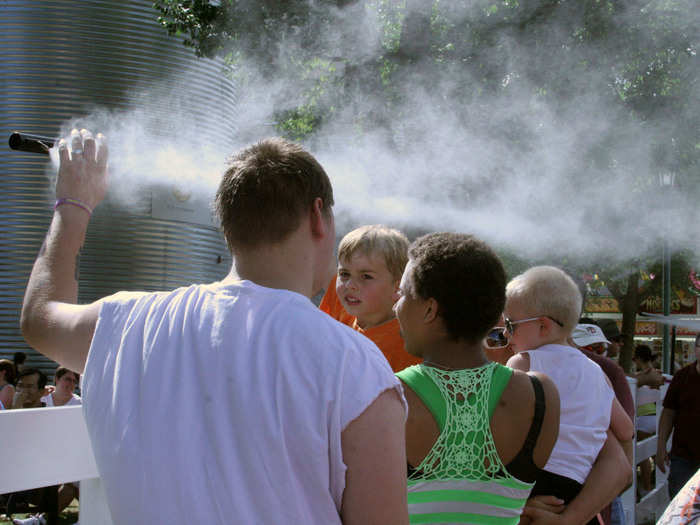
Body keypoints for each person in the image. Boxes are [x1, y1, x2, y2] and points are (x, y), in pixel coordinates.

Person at [20, 129, 409, 524]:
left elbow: (40, 317)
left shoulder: (124, 323)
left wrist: (73, 204)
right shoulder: (354, 363)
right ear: (317, 216)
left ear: (229, 225)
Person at [392, 232, 560, 524]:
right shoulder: (541, 395)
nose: (397, 307)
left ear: (430, 309)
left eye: (404, 294)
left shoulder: (391, 396)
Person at [504, 266, 634, 522]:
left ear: (543, 326)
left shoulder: (523, 362)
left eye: (511, 324)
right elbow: (626, 430)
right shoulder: (598, 373)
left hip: (532, 480)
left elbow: (506, 431)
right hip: (578, 486)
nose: (507, 335)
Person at [319, 224, 421, 372]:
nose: (350, 285)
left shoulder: (409, 348)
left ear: (398, 288)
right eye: (344, 274)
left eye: (366, 276)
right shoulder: (342, 302)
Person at [570, 323, 636, 525]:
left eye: (600, 349)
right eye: (589, 349)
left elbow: (626, 430)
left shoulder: (608, 371)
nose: (595, 355)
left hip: (599, 479)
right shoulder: (606, 370)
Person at [656, 333, 700, 499]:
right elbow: (668, 413)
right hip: (683, 458)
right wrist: (660, 447)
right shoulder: (682, 377)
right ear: (696, 349)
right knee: (680, 508)